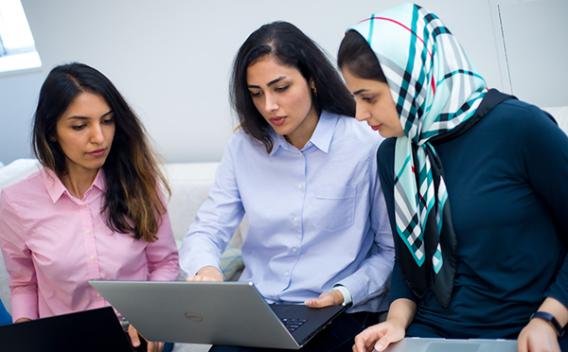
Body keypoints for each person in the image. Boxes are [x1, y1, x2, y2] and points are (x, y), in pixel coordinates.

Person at [336, 3, 568, 352]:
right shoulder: (394, 155)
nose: (359, 114)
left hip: (525, 332)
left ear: (413, 81)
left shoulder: (520, 129)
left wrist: (548, 319)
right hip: (431, 331)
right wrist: (395, 323)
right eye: (354, 98)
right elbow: (408, 260)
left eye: (369, 97)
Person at [180, 21, 394, 352]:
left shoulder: (365, 143)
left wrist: (344, 292)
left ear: (311, 79)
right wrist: (207, 269)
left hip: (339, 312)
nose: (269, 107)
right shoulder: (243, 147)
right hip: (258, 312)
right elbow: (206, 230)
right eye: (256, 94)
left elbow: (389, 252)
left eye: (280, 88)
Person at [0, 63, 179, 352]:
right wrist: (26, 333)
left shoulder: (140, 183)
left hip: (138, 331)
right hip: (65, 338)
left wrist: (150, 314)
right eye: (80, 126)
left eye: (107, 121)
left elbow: (165, 263)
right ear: (51, 131)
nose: (99, 137)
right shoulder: (16, 202)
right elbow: (23, 282)